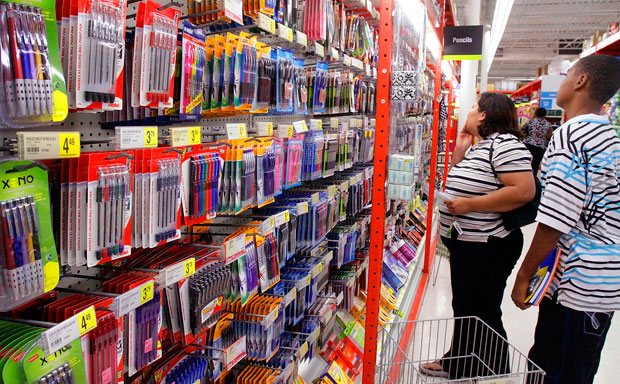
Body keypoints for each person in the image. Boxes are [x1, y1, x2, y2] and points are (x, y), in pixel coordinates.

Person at [511, 54, 620, 384]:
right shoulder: (609, 136)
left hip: (576, 286)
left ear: (580, 81)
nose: (560, 81)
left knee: (551, 371)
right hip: (602, 284)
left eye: (566, 74)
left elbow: (555, 220)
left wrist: (523, 275)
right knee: (579, 370)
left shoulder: (572, 136)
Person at [420, 92, 536, 380]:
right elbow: (473, 182)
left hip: (489, 245)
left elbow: (523, 190)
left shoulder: (506, 144)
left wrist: (470, 205)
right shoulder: (481, 147)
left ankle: (491, 371)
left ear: (484, 115)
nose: (468, 113)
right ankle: (459, 361)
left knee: (483, 310)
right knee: (465, 305)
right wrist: (460, 153)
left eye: (473, 108)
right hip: (469, 244)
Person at [522, 107, 553, 173]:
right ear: (545, 115)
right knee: (535, 164)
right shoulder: (548, 125)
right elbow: (549, 136)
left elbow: (522, 131)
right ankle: (533, 178)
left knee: (526, 163)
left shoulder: (529, 121)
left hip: (528, 144)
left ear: (536, 113)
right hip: (540, 147)